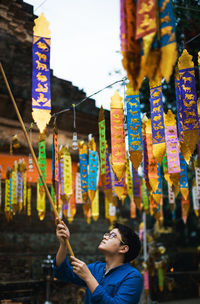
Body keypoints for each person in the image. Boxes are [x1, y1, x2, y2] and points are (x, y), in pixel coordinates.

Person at [53, 218, 143, 304]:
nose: (105, 236)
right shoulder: (96, 268)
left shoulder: (132, 276)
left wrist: (88, 277)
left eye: (112, 236)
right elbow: (62, 273)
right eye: (107, 234)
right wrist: (63, 244)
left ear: (123, 249)